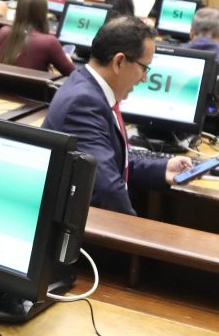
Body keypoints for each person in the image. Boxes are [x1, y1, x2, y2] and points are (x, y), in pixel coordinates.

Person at [42, 17, 194, 215]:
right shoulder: (84, 103)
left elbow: (110, 162)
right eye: (144, 67)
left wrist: (162, 169)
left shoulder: (86, 85)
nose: (144, 78)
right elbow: (107, 190)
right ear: (119, 62)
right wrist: (138, 239)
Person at [0, 0, 74, 75]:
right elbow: (73, 75)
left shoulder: (3, 32)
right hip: (34, 88)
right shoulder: (49, 42)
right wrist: (67, 61)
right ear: (43, 14)